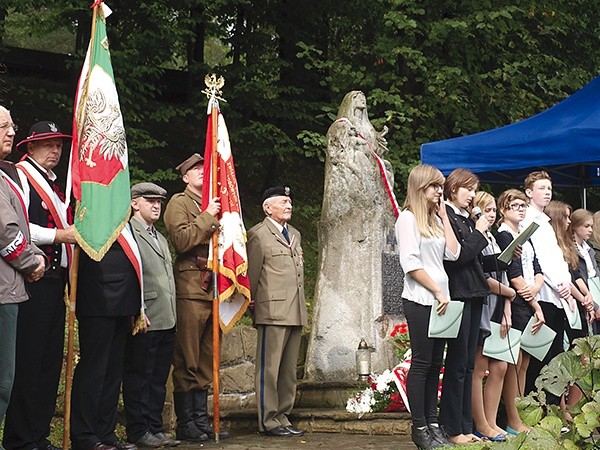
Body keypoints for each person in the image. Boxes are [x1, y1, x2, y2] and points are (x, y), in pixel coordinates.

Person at [4, 121, 76, 450]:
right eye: (48, 144)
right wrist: (59, 236)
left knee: (48, 364)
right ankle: (21, 438)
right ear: (29, 148)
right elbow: (18, 227)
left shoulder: (54, 184)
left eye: (59, 145)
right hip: (31, 279)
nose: (55, 150)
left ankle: (38, 434)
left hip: (54, 281)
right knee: (28, 363)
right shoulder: (19, 176)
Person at [394, 165, 459, 450]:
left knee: (436, 364)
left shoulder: (434, 220)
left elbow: (453, 254)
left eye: (440, 186)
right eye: (435, 186)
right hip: (421, 298)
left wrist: (445, 217)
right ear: (421, 187)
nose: (439, 191)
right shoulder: (407, 219)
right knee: (422, 363)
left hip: (441, 299)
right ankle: (419, 426)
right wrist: (435, 289)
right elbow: (410, 264)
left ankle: (433, 424)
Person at [163, 153, 226, 442]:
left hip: (215, 287)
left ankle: (201, 421)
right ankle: (186, 423)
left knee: (206, 359)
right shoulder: (180, 203)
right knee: (187, 357)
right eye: (195, 169)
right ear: (185, 177)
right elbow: (181, 240)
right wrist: (208, 217)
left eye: (204, 168)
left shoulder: (217, 203)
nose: (201, 172)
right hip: (191, 288)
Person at [70, 221, 145, 447]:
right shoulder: (92, 214)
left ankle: (105, 433)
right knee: (94, 370)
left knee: (113, 372)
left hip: (123, 303)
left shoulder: (123, 222)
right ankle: (84, 435)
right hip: (97, 300)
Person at [0, 106, 46, 438]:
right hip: (3, 293)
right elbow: (6, 230)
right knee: (3, 380)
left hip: (7, 287)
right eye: (3, 126)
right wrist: (32, 261)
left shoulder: (5, 173)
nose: (11, 132)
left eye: (12, 125)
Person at [247, 186, 307, 438]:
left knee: (287, 370)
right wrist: (252, 305)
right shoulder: (259, 235)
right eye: (283, 201)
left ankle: (283, 415)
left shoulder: (294, 234)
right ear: (267, 207)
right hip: (271, 309)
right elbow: (252, 275)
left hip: (294, 309)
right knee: (269, 370)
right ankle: (268, 420)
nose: (289, 205)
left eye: (290, 201)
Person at [123, 183, 179, 448]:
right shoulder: (129, 233)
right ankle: (138, 429)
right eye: (150, 200)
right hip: (145, 317)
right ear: (135, 203)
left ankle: (155, 427)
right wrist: (138, 311)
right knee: (139, 377)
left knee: (158, 378)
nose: (156, 205)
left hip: (166, 316)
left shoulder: (160, 237)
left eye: (159, 201)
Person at [438, 168, 490, 446]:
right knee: (457, 364)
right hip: (459, 293)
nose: (472, 195)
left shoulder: (465, 218)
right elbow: (458, 257)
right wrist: (479, 233)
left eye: (474, 189)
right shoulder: (447, 217)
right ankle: (452, 427)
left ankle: (466, 426)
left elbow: (476, 259)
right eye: (468, 189)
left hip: (475, 292)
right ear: (453, 188)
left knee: (469, 365)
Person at [520, 172, 574, 403]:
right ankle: (538, 406)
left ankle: (551, 406)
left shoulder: (545, 221)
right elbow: (537, 260)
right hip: (542, 294)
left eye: (549, 188)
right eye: (542, 188)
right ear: (529, 192)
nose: (547, 192)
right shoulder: (528, 220)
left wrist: (567, 286)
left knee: (554, 356)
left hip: (557, 295)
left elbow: (557, 259)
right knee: (539, 355)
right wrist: (556, 284)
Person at [495, 189, 545, 435]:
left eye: (524, 205)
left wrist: (536, 287)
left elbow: (536, 267)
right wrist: (535, 303)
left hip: (529, 296)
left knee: (524, 362)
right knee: (514, 362)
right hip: (517, 301)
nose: (521, 209)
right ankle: (511, 419)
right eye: (515, 205)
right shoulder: (504, 235)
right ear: (503, 209)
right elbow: (513, 273)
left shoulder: (525, 235)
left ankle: (520, 414)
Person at [469, 191, 515, 442]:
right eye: (485, 210)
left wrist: (508, 305)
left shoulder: (495, 239)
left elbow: (503, 272)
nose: (490, 214)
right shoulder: (478, 238)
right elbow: (482, 277)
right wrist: (508, 292)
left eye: (493, 210)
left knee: (500, 365)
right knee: (480, 366)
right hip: (485, 304)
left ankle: (493, 421)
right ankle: (481, 423)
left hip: (499, 306)